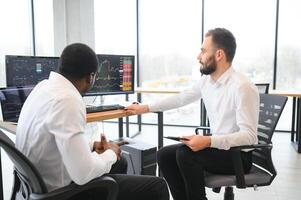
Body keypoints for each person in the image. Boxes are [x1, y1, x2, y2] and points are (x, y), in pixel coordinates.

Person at [16, 43, 169, 200]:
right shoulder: (68, 100)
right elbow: (82, 174)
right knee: (157, 186)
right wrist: (111, 152)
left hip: (36, 185)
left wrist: (93, 145)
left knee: (120, 162)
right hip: (62, 193)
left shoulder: (43, 87)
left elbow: (54, 139)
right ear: (90, 77)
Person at [126, 28, 259, 200]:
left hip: (238, 156)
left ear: (219, 55)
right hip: (218, 148)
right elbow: (181, 99)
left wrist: (208, 140)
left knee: (185, 154)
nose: (199, 56)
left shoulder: (242, 86)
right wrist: (146, 107)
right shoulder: (208, 82)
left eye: (203, 51)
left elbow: (249, 137)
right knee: (164, 155)